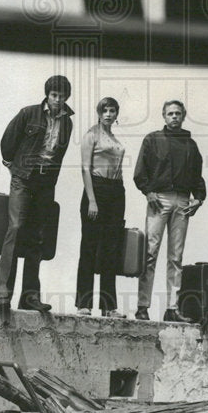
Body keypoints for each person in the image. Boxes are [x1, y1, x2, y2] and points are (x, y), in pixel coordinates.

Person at [0, 75, 74, 326]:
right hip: (23, 178)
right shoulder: (28, 113)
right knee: (16, 228)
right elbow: (8, 142)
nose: (57, 100)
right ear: (47, 95)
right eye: (54, 95)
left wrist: (50, 183)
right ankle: (3, 295)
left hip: (45, 183)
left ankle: (30, 297)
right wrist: (13, 167)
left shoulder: (67, 124)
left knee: (38, 238)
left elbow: (59, 156)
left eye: (61, 97)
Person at [133, 100, 206, 323]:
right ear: (164, 116)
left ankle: (172, 308)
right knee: (150, 253)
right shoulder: (152, 139)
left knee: (176, 256)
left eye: (178, 113)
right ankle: (142, 307)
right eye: (170, 113)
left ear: (184, 116)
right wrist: (149, 192)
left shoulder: (190, 145)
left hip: (182, 201)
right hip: (159, 200)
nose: (174, 117)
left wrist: (199, 199)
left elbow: (197, 177)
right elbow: (140, 172)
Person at [75, 97, 127, 319]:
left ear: (116, 114)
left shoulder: (115, 139)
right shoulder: (92, 134)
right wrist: (92, 200)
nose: (108, 114)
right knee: (89, 246)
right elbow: (85, 168)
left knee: (111, 249)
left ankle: (108, 305)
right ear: (99, 112)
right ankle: (83, 303)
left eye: (112, 110)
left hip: (116, 190)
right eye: (105, 110)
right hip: (96, 187)